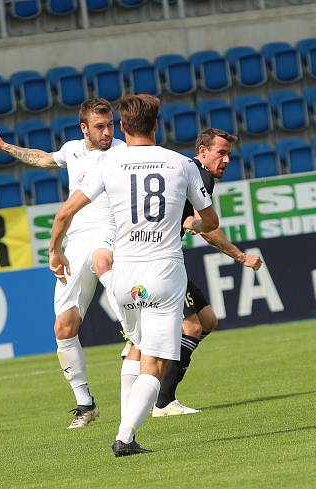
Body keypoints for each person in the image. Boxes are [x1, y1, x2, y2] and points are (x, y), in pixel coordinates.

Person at [49, 93, 219, 457]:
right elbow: (210, 221)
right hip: (163, 272)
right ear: (156, 126)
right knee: (153, 365)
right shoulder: (181, 164)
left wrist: (54, 251)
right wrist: (190, 221)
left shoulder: (109, 166)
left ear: (123, 127)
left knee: (136, 348)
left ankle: (120, 422)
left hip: (123, 278)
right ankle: (125, 437)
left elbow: (64, 214)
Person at [0, 98, 124, 428]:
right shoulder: (73, 150)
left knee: (112, 277)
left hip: (112, 233)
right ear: (84, 128)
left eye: (111, 125)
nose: (107, 132)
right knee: (63, 327)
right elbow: (44, 159)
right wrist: (4, 146)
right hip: (76, 242)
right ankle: (85, 404)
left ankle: (136, 338)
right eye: (100, 127)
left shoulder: (123, 151)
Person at [119, 129, 263, 418]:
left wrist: (191, 224)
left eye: (229, 155)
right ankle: (161, 402)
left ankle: (156, 398)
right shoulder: (198, 175)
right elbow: (207, 228)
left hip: (158, 261)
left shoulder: (190, 172)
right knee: (191, 327)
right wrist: (240, 255)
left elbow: (193, 222)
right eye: (220, 153)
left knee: (207, 320)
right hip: (156, 262)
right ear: (202, 151)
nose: (225, 160)